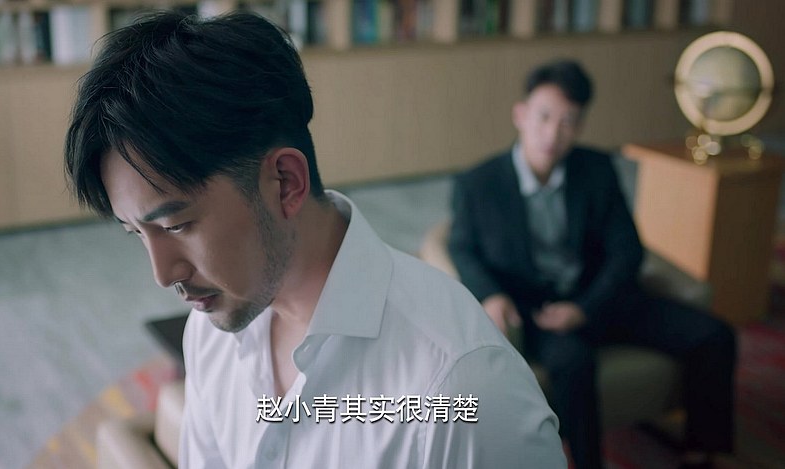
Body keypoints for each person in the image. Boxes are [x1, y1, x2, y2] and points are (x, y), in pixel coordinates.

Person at [63, 10, 566, 468]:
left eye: (176, 225)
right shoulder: (210, 332)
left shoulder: (462, 389)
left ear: (285, 182)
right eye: (137, 233)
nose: (162, 273)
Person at [447, 59, 736, 469]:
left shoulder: (597, 170)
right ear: (521, 114)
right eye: (544, 117)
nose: (553, 133)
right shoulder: (478, 183)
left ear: (580, 126)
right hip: (537, 311)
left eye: (568, 121)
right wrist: (491, 294)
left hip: (598, 298)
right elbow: (461, 247)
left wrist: (584, 308)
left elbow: (627, 250)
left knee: (714, 335)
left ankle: (703, 453)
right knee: (573, 364)